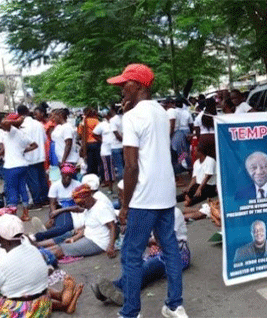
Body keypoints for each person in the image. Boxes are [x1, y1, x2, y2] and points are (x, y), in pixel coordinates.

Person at [107, 63, 188, 318]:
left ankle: (131, 312)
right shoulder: (162, 112)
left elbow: (131, 167)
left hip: (143, 197)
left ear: (139, 85)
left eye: (125, 84)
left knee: (131, 255)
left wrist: (125, 205)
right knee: (170, 249)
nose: (121, 89)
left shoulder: (132, 117)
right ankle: (175, 304)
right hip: (165, 193)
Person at [91, 207, 190, 307]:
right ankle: (114, 287)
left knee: (149, 267)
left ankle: (122, 293)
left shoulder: (173, 213)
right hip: (160, 251)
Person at [45, 184, 117, 259]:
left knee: (60, 250)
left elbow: (112, 226)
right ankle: (38, 254)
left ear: (88, 198)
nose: (82, 206)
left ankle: (40, 258)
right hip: (90, 238)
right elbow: (86, 224)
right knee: (60, 246)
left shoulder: (101, 208)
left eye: (82, 203)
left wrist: (111, 246)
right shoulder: (89, 207)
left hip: (98, 243)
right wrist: (74, 238)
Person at [0, 114, 38, 222]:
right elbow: (35, 145)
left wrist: (13, 122)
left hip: (11, 166)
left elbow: (4, 123)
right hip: (23, 165)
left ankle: (13, 215)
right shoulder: (22, 133)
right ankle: (25, 213)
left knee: (11, 189)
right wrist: (23, 151)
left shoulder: (12, 131)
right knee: (22, 188)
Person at [33, 163, 83, 243]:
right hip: (60, 210)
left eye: (69, 175)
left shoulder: (77, 185)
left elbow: (81, 204)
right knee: (66, 226)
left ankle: (45, 232)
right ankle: (36, 236)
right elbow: (52, 203)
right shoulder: (55, 185)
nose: (67, 177)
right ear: (61, 174)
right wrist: (52, 217)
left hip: (75, 211)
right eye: (65, 175)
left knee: (65, 228)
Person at [18, 105, 50, 209]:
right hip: (40, 155)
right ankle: (45, 199)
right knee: (42, 178)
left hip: (29, 157)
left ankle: (37, 202)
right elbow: (45, 139)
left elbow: (21, 142)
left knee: (33, 180)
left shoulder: (22, 126)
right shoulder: (38, 124)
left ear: (19, 114)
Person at [176, 140, 217, 207]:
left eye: (195, 151)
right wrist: (188, 188)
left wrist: (199, 189)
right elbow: (194, 178)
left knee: (200, 194)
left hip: (209, 186)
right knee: (187, 193)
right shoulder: (196, 162)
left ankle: (190, 202)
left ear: (200, 152)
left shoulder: (210, 160)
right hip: (199, 184)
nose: (193, 153)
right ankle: (176, 199)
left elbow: (207, 177)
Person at [93, 111, 115, 193]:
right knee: (108, 170)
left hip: (116, 149)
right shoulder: (102, 125)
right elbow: (94, 133)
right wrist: (102, 140)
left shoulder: (116, 122)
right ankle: (110, 188)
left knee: (116, 170)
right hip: (106, 151)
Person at [78, 107, 101, 177]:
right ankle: (97, 176)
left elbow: (79, 133)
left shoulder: (83, 122)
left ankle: (90, 175)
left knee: (89, 162)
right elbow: (99, 132)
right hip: (96, 143)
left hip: (87, 144)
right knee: (97, 161)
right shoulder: (96, 121)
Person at [109, 107, 124, 179]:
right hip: (123, 146)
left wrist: (122, 140)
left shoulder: (112, 120)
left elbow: (116, 134)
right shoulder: (123, 118)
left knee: (119, 166)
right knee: (125, 165)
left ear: (112, 110)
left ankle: (122, 184)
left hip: (115, 146)